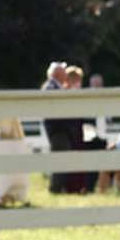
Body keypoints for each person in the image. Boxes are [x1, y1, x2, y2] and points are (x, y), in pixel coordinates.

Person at [40, 62, 74, 193]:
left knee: (62, 159)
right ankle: (55, 189)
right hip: (58, 129)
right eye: (63, 71)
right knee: (60, 159)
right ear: (58, 73)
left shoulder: (56, 86)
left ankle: (59, 188)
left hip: (61, 129)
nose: (66, 73)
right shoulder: (50, 87)